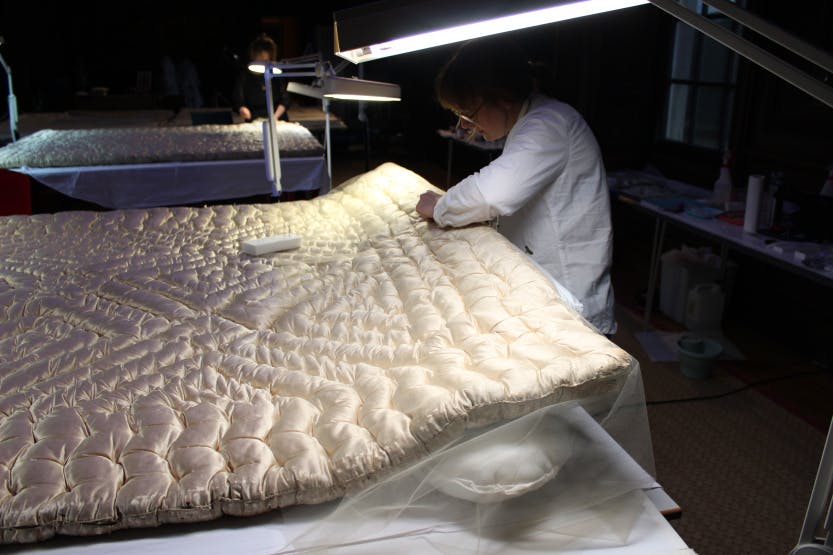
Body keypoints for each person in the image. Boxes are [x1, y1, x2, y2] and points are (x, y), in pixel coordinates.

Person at [416, 36, 616, 336]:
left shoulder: (548, 124)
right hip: (545, 283)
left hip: (571, 301)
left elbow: (493, 193)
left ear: (501, 95)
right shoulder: (533, 121)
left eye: (469, 113)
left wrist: (441, 206)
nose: (467, 126)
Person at [231, 33, 291, 122]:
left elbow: (285, 99)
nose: (262, 62)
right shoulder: (245, 75)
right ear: (254, 56)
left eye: (265, 60)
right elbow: (238, 99)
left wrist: (275, 117)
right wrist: (242, 109)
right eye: (259, 59)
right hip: (254, 119)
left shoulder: (276, 73)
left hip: (278, 118)